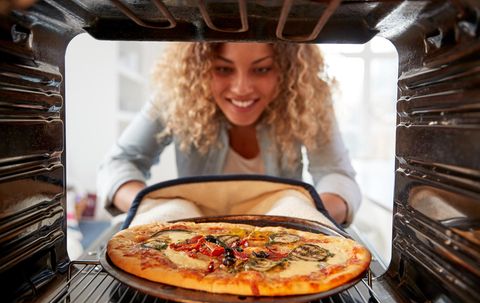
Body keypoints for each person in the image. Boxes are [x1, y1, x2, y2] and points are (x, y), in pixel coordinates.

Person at [97, 42, 361, 225]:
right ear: (200, 69)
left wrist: (304, 215)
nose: (241, 88)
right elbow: (119, 163)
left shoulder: (306, 99)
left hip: (279, 248)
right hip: (194, 247)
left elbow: (336, 174)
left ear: (286, 70)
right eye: (223, 69)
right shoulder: (176, 96)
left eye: (262, 69)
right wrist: (156, 208)